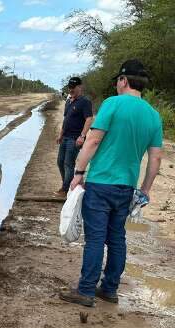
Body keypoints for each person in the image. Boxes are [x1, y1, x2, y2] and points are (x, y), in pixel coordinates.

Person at [60, 59, 163, 307]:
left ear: (123, 80)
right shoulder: (153, 115)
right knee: (117, 238)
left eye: (118, 80)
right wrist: (145, 191)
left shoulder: (112, 104)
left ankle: (85, 291)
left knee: (95, 238)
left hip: (101, 182)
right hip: (127, 187)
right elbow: (155, 158)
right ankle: (110, 289)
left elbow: (93, 141)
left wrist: (78, 173)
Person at [55, 77, 94, 198]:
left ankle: (65, 190)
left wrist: (82, 136)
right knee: (60, 162)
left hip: (75, 138)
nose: (71, 90)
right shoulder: (68, 101)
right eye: (70, 87)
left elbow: (89, 119)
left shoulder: (85, 102)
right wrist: (61, 135)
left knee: (68, 163)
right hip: (66, 137)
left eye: (73, 87)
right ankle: (67, 185)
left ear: (80, 87)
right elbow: (66, 120)